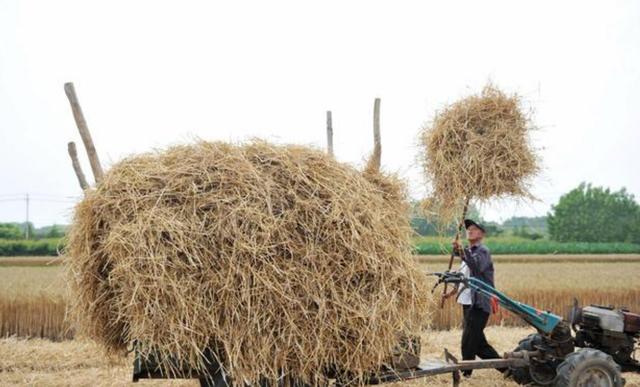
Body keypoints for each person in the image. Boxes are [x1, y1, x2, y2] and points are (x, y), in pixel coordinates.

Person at [452, 219, 503, 377]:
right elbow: (465, 274)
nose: (470, 231)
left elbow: (476, 267)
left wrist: (462, 251)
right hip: (468, 302)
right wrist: (452, 290)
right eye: (468, 229)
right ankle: (507, 369)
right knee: (479, 343)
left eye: (474, 229)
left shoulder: (482, 251)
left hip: (480, 303)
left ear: (481, 234)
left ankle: (466, 374)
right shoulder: (470, 251)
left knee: (468, 340)